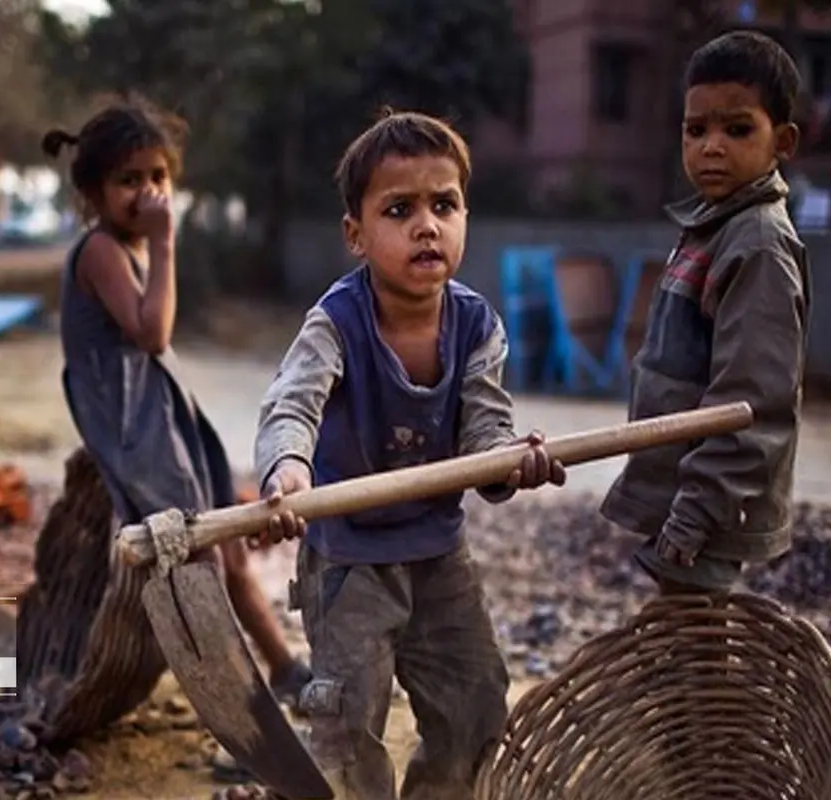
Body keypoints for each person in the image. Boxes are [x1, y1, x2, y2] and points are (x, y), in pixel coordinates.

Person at [246, 110, 566, 800]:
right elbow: (290, 406)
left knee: (474, 707)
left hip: (438, 557)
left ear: (465, 215)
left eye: (444, 204)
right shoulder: (336, 322)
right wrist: (287, 472)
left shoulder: (478, 324)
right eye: (400, 209)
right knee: (347, 720)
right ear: (356, 236)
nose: (427, 225)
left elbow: (484, 432)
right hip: (350, 559)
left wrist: (512, 460)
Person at [41, 99, 313, 719]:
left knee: (227, 548)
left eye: (158, 178)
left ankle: (283, 668)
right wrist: (166, 244)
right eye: (129, 180)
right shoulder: (102, 252)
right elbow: (153, 333)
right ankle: (240, 692)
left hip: (162, 421)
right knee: (200, 560)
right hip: (136, 434)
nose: (148, 193)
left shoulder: (128, 247)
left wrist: (158, 246)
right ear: (93, 192)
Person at [601, 30, 810, 597]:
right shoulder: (712, 227)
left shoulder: (758, 245)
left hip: (713, 504)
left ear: (783, 140)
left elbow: (750, 403)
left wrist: (696, 511)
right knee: (684, 643)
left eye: (737, 129)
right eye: (696, 130)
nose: (711, 146)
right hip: (685, 491)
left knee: (696, 651)